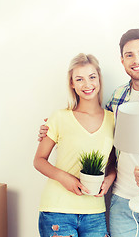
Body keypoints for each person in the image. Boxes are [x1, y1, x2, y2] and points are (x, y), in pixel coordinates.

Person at [38, 29, 139, 237]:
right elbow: (102, 144)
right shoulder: (116, 99)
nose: (136, 60)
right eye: (129, 55)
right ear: (122, 61)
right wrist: (51, 127)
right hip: (121, 203)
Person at [33, 53, 115, 237]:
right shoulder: (59, 117)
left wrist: (108, 180)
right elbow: (39, 160)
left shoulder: (113, 119)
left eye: (92, 77)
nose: (87, 85)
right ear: (72, 83)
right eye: (80, 79)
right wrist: (65, 178)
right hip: (57, 210)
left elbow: (114, 162)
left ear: (99, 79)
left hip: (95, 212)